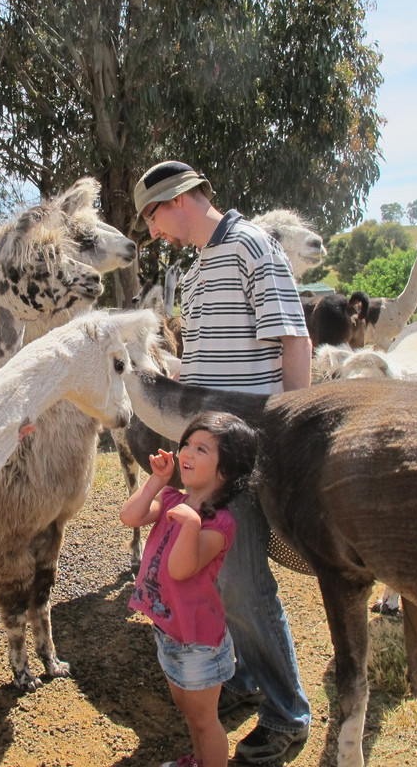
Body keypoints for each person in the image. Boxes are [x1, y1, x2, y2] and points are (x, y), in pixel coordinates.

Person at [133, 160, 313, 765]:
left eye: (153, 217)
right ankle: (244, 676)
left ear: (180, 199)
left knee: (244, 582)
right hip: (210, 447)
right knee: (218, 576)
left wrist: (291, 432)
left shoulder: (250, 246)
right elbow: (205, 360)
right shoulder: (196, 269)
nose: (155, 233)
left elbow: (293, 339)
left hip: (247, 446)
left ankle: (287, 715)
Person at [121, 411, 259, 767]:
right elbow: (131, 517)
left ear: (225, 471)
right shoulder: (171, 500)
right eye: (186, 444)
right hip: (170, 631)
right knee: (187, 709)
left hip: (198, 641)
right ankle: (198, 761)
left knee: (204, 719)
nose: (186, 453)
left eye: (201, 449)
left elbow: (180, 569)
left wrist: (192, 524)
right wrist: (156, 481)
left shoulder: (219, 524)